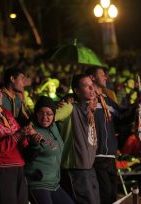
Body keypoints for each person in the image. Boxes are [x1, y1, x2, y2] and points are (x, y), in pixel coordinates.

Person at [86, 67, 136, 204]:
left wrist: (136, 107)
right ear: (92, 77)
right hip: (97, 155)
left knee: (112, 195)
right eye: (102, 75)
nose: (106, 77)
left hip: (110, 156)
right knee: (105, 195)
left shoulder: (107, 99)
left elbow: (121, 117)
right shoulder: (86, 100)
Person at [58, 74, 100, 204]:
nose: (92, 87)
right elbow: (44, 115)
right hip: (75, 170)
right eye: (86, 86)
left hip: (89, 168)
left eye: (92, 84)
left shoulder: (90, 109)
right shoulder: (69, 107)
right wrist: (56, 104)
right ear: (76, 91)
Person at [24, 96, 74, 204]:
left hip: (54, 184)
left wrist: (58, 102)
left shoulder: (53, 126)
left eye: (49, 114)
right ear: (36, 113)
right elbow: (27, 156)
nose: (45, 117)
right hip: (38, 184)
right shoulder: (32, 130)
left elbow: (63, 107)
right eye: (41, 113)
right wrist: (34, 145)